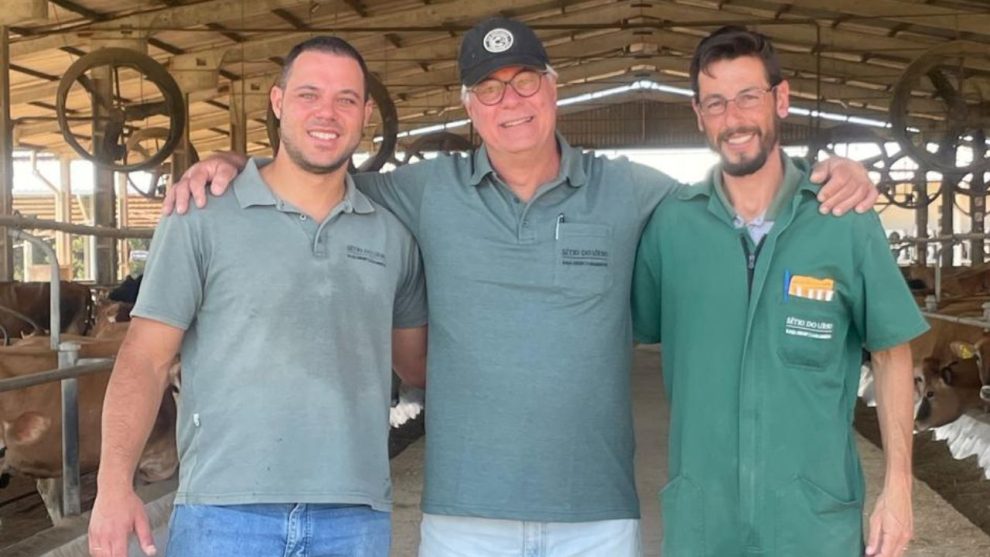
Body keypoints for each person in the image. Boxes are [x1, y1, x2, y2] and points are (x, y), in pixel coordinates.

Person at [164, 17, 879, 557]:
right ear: (469, 104)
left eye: (526, 81)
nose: (511, 101)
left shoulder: (629, 191)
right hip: (463, 516)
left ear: (554, 88)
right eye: (489, 88)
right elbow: (313, 171)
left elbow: (736, 190)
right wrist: (231, 161)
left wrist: (828, 175)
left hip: (596, 516)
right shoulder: (422, 192)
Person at [87, 37, 428, 557]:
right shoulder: (200, 216)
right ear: (277, 102)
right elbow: (145, 358)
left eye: (346, 99)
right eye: (309, 94)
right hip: (223, 515)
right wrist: (113, 487)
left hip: (354, 517)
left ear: (364, 115)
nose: (327, 113)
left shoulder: (391, 236)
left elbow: (417, 365)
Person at [632, 26, 925, 557]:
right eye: (715, 103)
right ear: (699, 115)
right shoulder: (672, 225)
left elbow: (891, 351)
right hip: (703, 521)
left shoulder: (842, 219)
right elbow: (638, 326)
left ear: (780, 99)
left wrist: (899, 489)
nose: (733, 118)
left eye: (748, 96)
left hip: (812, 522)